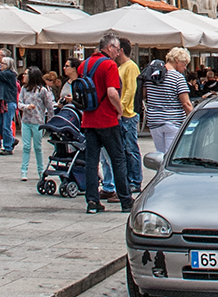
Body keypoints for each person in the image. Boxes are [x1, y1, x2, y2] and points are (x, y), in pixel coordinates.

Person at [80, 37, 134, 214]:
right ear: (110, 47)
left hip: (88, 118)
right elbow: (111, 92)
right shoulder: (109, 65)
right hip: (107, 119)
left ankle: (92, 202)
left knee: (91, 161)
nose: (118, 53)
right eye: (117, 49)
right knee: (118, 159)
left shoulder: (85, 65)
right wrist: (119, 109)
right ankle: (125, 200)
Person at [105, 38, 143, 197]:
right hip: (121, 113)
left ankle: (135, 180)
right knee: (123, 148)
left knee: (130, 148)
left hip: (128, 114)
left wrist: (121, 107)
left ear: (120, 50)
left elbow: (130, 90)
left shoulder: (131, 67)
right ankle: (128, 179)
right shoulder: (120, 67)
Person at [144, 46, 194, 155]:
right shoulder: (177, 77)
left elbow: (145, 95)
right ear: (177, 60)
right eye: (184, 64)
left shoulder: (152, 76)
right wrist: (193, 119)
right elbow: (186, 103)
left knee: (160, 154)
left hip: (154, 120)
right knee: (171, 155)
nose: (185, 68)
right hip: (172, 121)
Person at [16, 67, 55, 182]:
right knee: (26, 146)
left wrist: (51, 122)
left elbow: (49, 107)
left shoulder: (42, 90)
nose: (24, 76)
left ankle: (41, 170)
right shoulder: (24, 89)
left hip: (38, 122)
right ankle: (24, 171)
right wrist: (26, 107)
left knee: (38, 147)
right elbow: (19, 103)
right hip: (26, 121)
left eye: (26, 74)